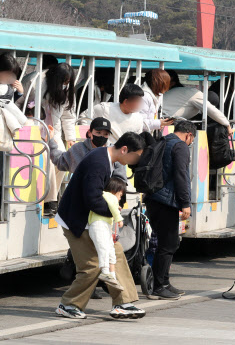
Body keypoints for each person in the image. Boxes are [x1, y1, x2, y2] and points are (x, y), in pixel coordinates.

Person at [55, 132, 146, 320]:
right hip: (77, 221)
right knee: (92, 265)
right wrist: (115, 212)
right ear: (124, 149)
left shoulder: (105, 158)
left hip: (94, 220)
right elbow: (93, 199)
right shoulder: (99, 162)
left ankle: (123, 302)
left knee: (117, 256)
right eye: (135, 156)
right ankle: (69, 304)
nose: (135, 161)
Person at [17, 63, 78, 215]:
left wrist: (70, 137)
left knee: (63, 159)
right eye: (63, 82)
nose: (65, 86)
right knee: (46, 158)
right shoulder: (35, 82)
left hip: (52, 130)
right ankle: (50, 200)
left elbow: (68, 115)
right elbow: (18, 104)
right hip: (32, 128)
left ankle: (51, 196)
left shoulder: (67, 91)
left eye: (68, 83)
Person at [144, 120, 195, 300]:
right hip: (166, 202)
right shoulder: (180, 146)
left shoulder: (164, 141)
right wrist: (185, 203)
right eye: (192, 140)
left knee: (166, 243)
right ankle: (159, 286)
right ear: (189, 134)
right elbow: (182, 175)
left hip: (153, 199)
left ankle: (164, 282)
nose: (190, 143)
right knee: (168, 244)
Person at [47, 117, 127, 180]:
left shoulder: (114, 152)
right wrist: (51, 141)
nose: (102, 136)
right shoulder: (78, 149)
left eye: (106, 134)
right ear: (90, 133)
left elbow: (120, 179)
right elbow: (60, 161)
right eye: (98, 133)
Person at [88, 176, 126, 291]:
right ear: (115, 191)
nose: (119, 198)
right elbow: (112, 204)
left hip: (102, 226)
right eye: (120, 195)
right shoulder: (109, 196)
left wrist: (116, 207)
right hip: (99, 225)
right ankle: (105, 272)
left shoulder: (106, 197)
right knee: (105, 249)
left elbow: (112, 205)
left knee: (110, 250)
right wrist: (119, 218)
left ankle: (112, 276)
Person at [162, 70, 232, 132]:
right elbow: (212, 110)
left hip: (160, 119)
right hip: (164, 121)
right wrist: (227, 124)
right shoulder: (195, 94)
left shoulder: (177, 91)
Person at [139, 69, 173, 133]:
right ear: (160, 83)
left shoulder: (156, 95)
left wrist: (159, 124)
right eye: (166, 84)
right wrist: (158, 123)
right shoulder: (144, 96)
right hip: (141, 135)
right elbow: (141, 123)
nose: (167, 88)